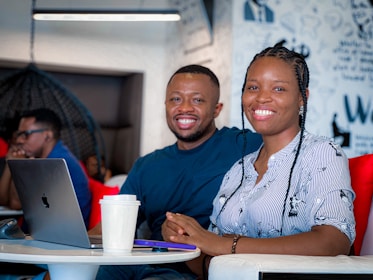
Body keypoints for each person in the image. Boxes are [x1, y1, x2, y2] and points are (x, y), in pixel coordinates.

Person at [162, 45, 356, 278]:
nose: (262, 97)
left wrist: (227, 245)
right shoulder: (238, 169)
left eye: (279, 88)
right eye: (253, 87)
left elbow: (333, 242)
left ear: (302, 98)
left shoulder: (322, 152)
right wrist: (183, 241)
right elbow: (211, 267)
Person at [93, 64, 262, 279]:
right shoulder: (146, 165)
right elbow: (113, 227)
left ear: (216, 109)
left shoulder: (246, 145)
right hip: (139, 261)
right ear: (165, 105)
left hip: (190, 269)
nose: (184, 108)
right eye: (175, 99)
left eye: (198, 100)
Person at [0, 108, 91, 227]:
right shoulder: (48, 158)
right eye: (18, 134)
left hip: (60, 238)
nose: (19, 140)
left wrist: (20, 166)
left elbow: (15, 204)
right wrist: (10, 163)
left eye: (26, 134)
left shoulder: (56, 163)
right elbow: (3, 200)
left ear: (47, 136)